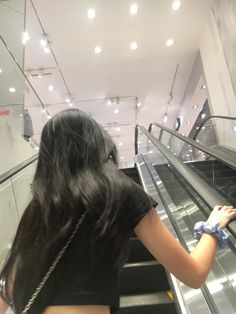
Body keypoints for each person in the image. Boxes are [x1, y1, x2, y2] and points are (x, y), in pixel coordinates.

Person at [0, 109, 235, 314]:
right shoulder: (119, 190)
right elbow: (193, 274)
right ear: (97, 144)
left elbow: (6, 291)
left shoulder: (37, 209)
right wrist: (211, 227)